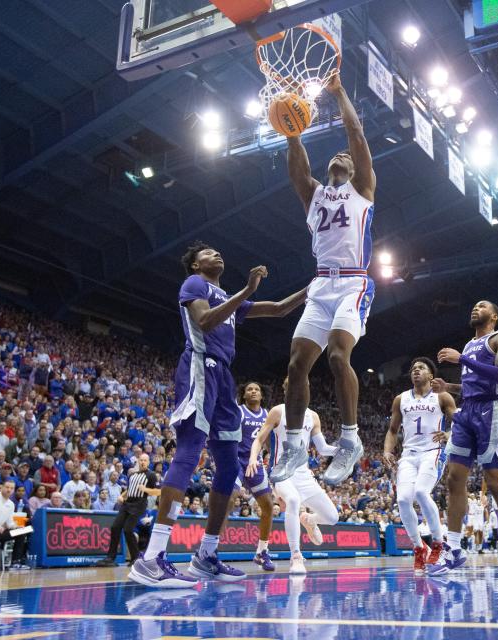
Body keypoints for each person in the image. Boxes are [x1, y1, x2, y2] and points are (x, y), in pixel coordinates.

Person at [129, 243, 306, 589]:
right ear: (196, 263)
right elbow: (206, 321)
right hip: (200, 366)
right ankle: (151, 557)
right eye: (209, 253)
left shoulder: (229, 299)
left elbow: (282, 309)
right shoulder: (194, 284)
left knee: (228, 467)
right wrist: (247, 291)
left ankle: (206, 556)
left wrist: (318, 284)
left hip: (225, 378)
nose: (218, 254)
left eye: (218, 252)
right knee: (189, 453)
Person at [273, 70, 377, 487]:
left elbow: (356, 134)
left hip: (354, 282)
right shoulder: (314, 193)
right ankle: (295, 444)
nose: (342, 156)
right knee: (296, 366)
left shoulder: (363, 189)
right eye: (337, 156)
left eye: (347, 157)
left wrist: (338, 91)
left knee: (337, 356)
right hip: (320, 284)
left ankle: (350, 441)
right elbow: (296, 160)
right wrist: (290, 128)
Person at [428, 300, 498, 576]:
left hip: (491, 410)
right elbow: (472, 386)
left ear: (494, 315)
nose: (475, 308)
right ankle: (455, 549)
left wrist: (462, 359)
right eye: (472, 305)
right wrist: (449, 387)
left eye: (481, 306)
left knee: (495, 482)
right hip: (467, 410)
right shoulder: (470, 345)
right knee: (453, 479)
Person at [248, 379, 339, 575]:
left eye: (303, 385)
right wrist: (253, 458)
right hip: (282, 472)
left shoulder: (313, 416)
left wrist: (343, 449)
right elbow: (259, 438)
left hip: (304, 474)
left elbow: (322, 448)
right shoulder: (278, 411)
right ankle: (296, 556)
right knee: (293, 500)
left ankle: (310, 520)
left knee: (332, 517)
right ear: (286, 389)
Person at [382, 357, 456, 574]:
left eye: (421, 368)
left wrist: (449, 433)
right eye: (413, 368)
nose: (416, 370)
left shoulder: (442, 397)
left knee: (422, 492)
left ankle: (439, 544)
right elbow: (393, 430)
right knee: (403, 499)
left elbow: (461, 424)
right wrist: (387, 450)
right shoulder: (401, 399)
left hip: (432, 452)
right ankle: (418, 548)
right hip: (409, 455)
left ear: (431, 375)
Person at [232, 381, 278, 572]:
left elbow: (271, 443)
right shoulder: (238, 411)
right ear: (244, 395)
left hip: (256, 464)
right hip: (236, 460)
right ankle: (209, 550)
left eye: (256, 389)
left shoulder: (268, 415)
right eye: (249, 389)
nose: (253, 391)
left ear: (261, 395)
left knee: (268, 506)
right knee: (228, 500)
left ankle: (261, 552)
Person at [96, 454, 160, 567]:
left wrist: (145, 489)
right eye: (141, 460)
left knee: (128, 530)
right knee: (115, 527)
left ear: (149, 462)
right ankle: (110, 557)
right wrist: (122, 495)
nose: (143, 462)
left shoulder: (151, 475)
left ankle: (135, 558)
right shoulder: (132, 475)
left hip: (139, 504)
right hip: (127, 504)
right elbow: (130, 489)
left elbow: (157, 492)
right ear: (138, 462)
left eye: (145, 460)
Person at [0, 479, 28, 569]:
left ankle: (15, 561)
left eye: (11, 488)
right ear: (2, 488)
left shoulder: (11, 504)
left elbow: (9, 523)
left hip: (1, 531)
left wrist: (16, 526)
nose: (9, 490)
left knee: (21, 532)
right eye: (7, 487)